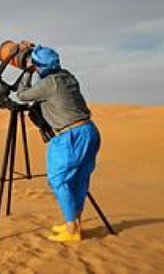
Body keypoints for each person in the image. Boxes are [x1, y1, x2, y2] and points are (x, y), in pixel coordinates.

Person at [16, 44, 101, 242]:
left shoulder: (49, 84)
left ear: (38, 66)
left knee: (58, 179)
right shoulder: (67, 76)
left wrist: (27, 72)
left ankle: (71, 229)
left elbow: (21, 95)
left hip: (70, 136)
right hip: (89, 130)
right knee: (80, 179)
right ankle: (76, 224)